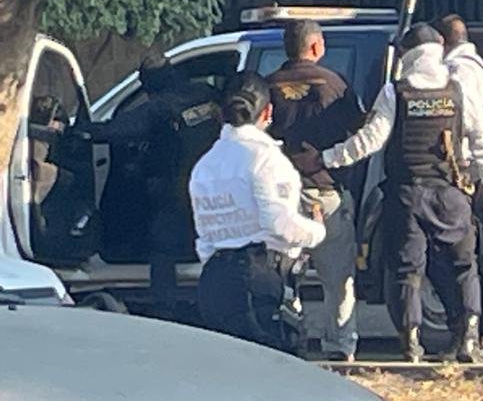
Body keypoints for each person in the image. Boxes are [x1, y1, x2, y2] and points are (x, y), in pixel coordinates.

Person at [318, 24, 483, 363]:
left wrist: (327, 158)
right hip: (451, 194)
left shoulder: (395, 92)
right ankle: (469, 339)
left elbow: (370, 140)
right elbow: (481, 139)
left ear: (407, 54)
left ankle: (411, 343)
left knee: (408, 269)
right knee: (464, 266)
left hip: (407, 195)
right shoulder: (458, 90)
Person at [189, 73, 327, 351]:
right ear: (267, 112)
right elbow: (279, 222)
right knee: (280, 364)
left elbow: (204, 235)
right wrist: (317, 230)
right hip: (258, 279)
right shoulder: (265, 158)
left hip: (213, 281)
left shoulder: (205, 164)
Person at [85, 55, 220, 320]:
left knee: (162, 247)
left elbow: (116, 130)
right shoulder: (207, 93)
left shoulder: (159, 108)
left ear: (149, 85)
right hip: (215, 187)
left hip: (178, 193)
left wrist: (76, 129)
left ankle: (164, 312)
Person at [267, 20, 366, 362]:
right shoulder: (335, 85)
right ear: (315, 47)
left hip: (283, 197)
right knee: (338, 279)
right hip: (327, 193)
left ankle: (290, 340)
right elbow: (360, 133)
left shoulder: (269, 86)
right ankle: (340, 346)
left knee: (284, 275)